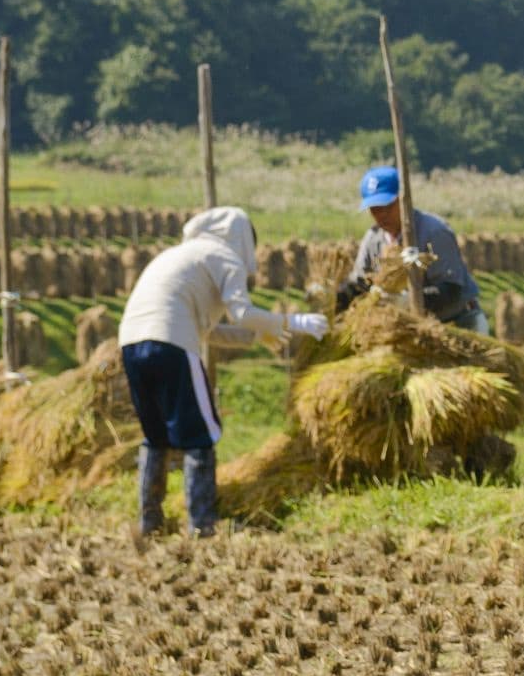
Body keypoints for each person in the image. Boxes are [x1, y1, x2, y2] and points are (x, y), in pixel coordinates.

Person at [118, 206, 327, 537]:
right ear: (241, 237)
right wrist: (291, 321)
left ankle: (150, 522)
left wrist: (260, 335)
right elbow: (241, 311)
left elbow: (210, 332)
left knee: (156, 436)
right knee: (201, 433)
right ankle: (202, 525)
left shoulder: (182, 255)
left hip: (131, 342)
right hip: (170, 341)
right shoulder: (223, 255)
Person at [338, 165, 487, 332]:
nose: (381, 215)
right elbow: (359, 283)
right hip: (413, 330)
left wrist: (410, 299)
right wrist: (332, 297)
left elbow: (452, 289)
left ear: (403, 200)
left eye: (387, 207)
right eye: (375, 209)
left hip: (457, 323)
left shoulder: (434, 232)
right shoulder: (373, 239)